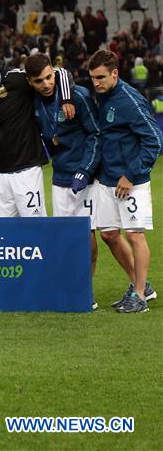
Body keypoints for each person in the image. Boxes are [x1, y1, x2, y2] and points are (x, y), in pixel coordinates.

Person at [24, 54, 105, 308]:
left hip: (85, 178)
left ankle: (85, 292)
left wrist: (86, 169)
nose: (46, 84)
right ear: (30, 82)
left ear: (54, 72)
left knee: (87, 237)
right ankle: (68, 287)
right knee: (63, 238)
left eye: (49, 77)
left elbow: (96, 134)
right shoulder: (32, 101)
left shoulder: (77, 96)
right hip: (60, 178)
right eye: (39, 81)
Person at [0, 44, 74, 217]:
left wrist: (66, 99)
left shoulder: (16, 79)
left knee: (35, 227)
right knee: (1, 230)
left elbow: (60, 73)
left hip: (27, 171)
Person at [89, 50, 161, 313]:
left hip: (131, 181)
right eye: (92, 78)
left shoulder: (130, 100)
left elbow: (155, 140)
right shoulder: (102, 96)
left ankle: (139, 298)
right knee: (109, 234)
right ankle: (140, 286)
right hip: (107, 180)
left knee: (134, 235)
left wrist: (131, 175)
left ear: (115, 74)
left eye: (101, 77)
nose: (96, 83)